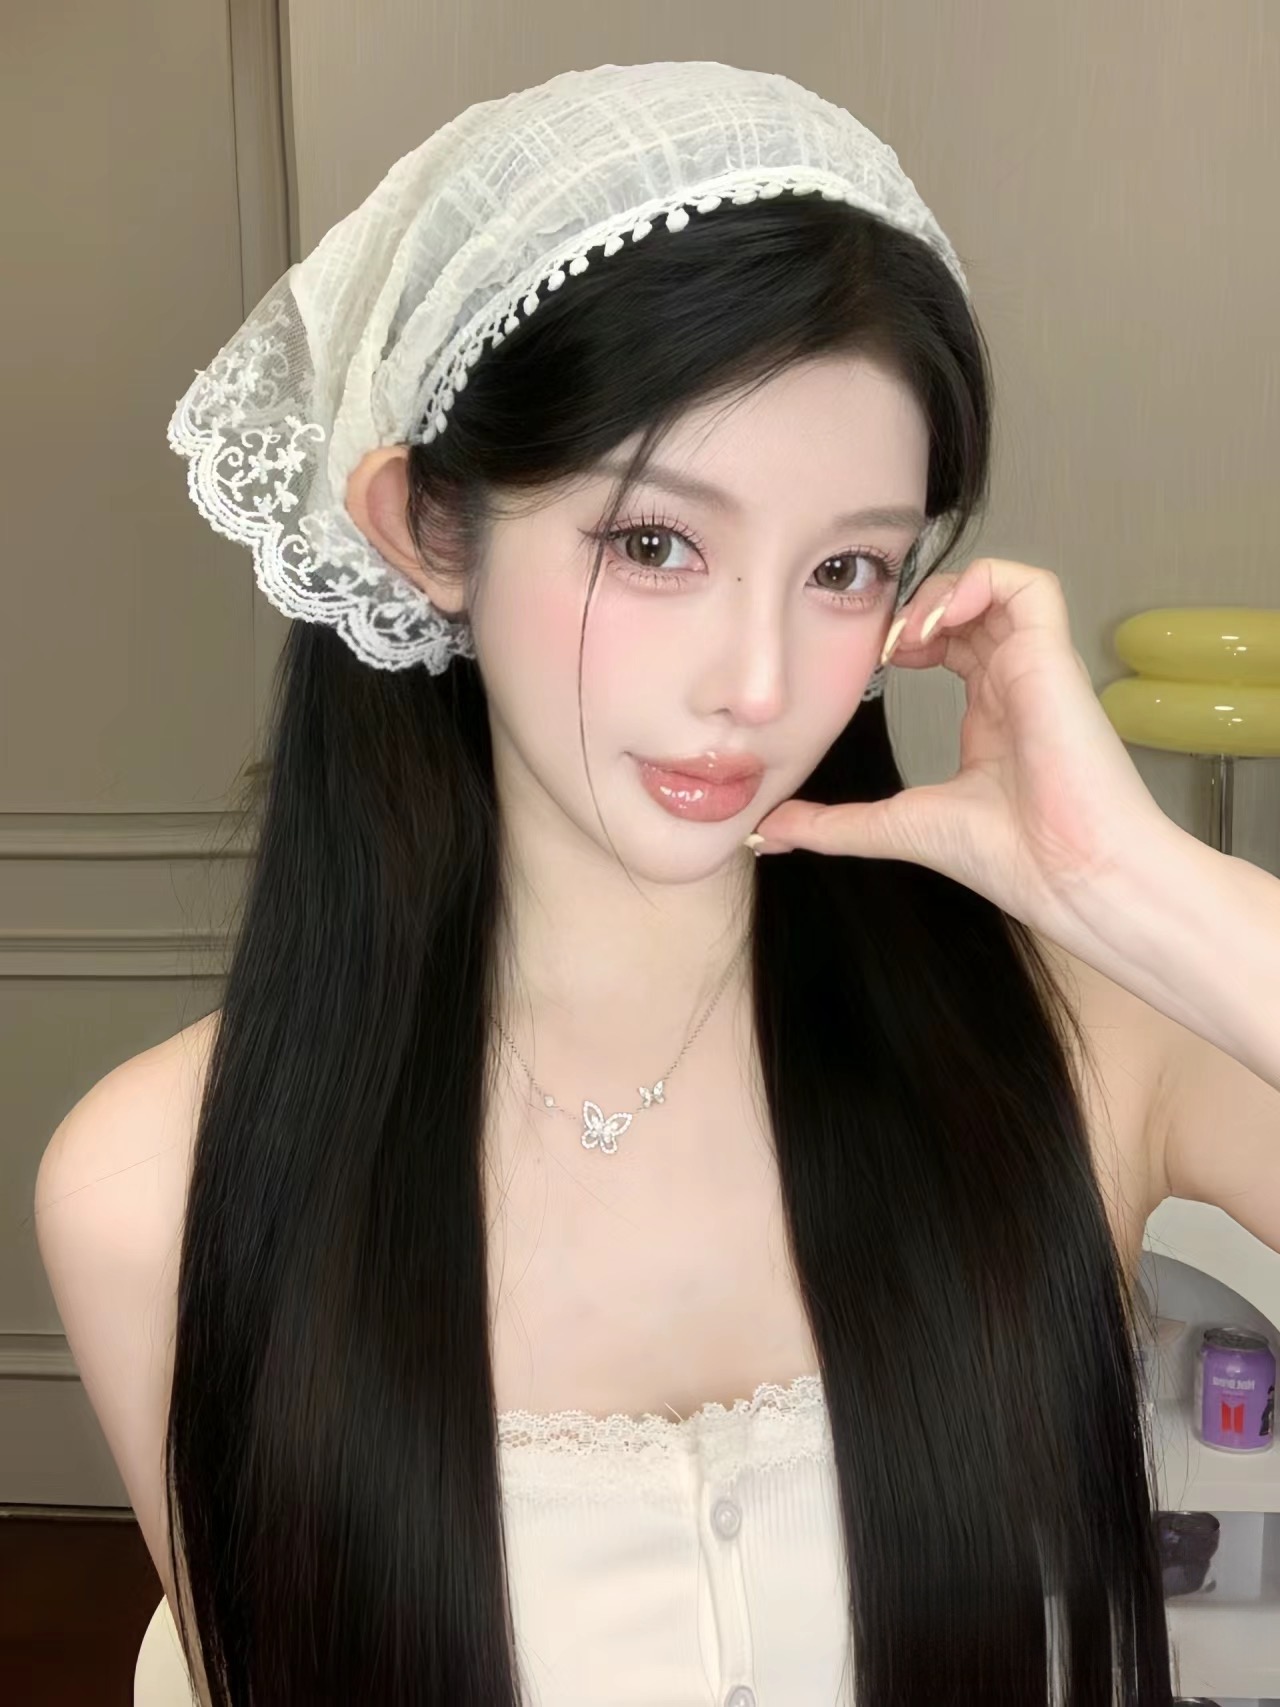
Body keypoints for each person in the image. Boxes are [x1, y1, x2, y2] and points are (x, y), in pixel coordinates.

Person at [34, 60, 1183, 1706]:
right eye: (656, 544)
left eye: (846, 568)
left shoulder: (1089, 1039)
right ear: (431, 524)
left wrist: (1130, 880)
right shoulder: (156, 1186)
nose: (758, 682)